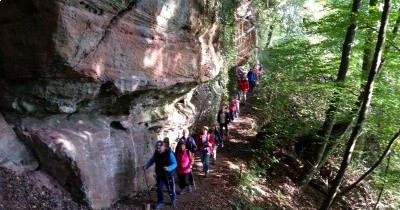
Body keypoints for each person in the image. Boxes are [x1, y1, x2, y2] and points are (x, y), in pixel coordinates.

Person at [144, 141, 177, 209]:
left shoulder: (169, 153)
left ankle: (173, 199)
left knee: (170, 188)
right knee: (159, 188)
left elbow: (175, 163)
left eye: (159, 148)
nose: (158, 150)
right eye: (157, 148)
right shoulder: (156, 154)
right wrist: (146, 166)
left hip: (169, 174)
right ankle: (160, 202)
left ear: (163, 147)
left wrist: (168, 168)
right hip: (160, 174)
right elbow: (152, 160)